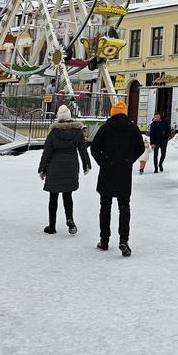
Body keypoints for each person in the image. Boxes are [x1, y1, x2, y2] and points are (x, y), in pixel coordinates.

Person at [90, 100, 145, 256]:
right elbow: (140, 148)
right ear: (125, 113)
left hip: (107, 171)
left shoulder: (105, 128)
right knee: (124, 206)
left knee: (105, 206)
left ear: (112, 112)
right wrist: (129, 160)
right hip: (124, 172)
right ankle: (123, 240)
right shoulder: (133, 129)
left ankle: (104, 240)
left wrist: (103, 162)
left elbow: (94, 148)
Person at [38, 104, 91, 235]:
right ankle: (70, 220)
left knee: (53, 197)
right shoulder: (77, 131)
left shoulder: (54, 133)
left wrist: (42, 168)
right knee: (68, 195)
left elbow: (47, 152)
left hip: (55, 168)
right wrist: (86, 164)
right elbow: (83, 149)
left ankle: (52, 226)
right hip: (71, 166)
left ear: (59, 118)